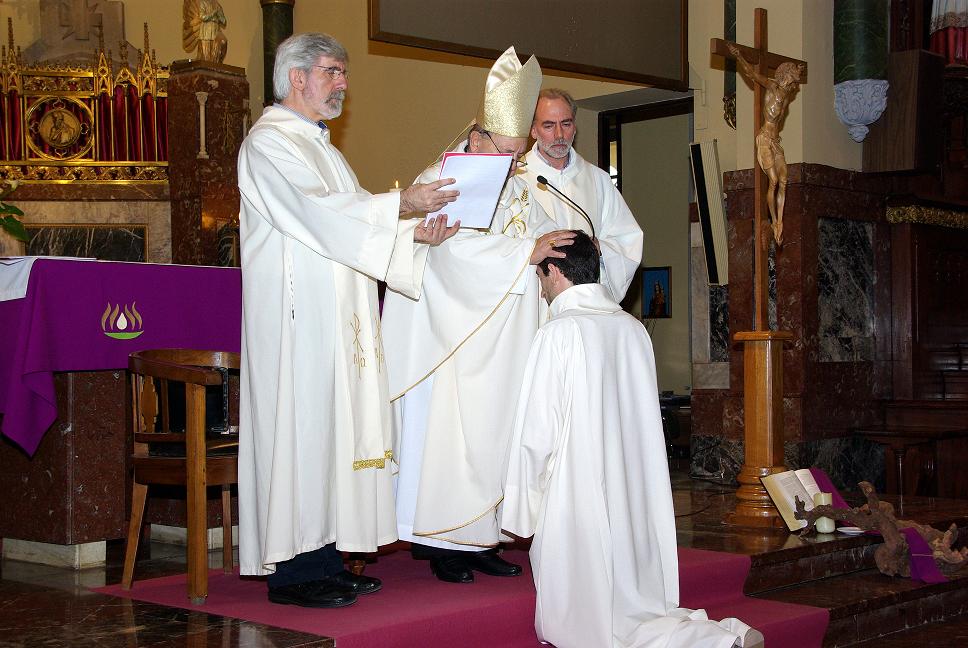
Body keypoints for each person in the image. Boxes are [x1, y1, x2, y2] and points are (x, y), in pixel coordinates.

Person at [236, 32, 460, 609]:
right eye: (333, 71)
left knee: (333, 434)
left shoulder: (324, 149)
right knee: (303, 432)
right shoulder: (268, 143)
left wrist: (415, 234)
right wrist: (403, 204)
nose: (343, 83)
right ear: (297, 77)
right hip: (297, 323)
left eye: (343, 72)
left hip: (335, 321)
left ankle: (327, 559)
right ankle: (294, 573)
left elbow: (358, 221)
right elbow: (320, 213)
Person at [503, 231, 764, 648]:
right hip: (631, 486)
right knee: (633, 597)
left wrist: (522, 509)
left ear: (554, 271)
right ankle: (717, 637)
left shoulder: (559, 332)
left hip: (578, 488)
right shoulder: (632, 329)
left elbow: (537, 432)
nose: (540, 290)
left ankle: (708, 642)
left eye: (540, 278)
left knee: (587, 623)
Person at [382, 47, 575, 584]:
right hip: (452, 337)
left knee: (498, 436)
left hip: (505, 337)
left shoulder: (516, 183)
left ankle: (484, 538)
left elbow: (533, 236)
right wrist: (524, 253)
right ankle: (443, 544)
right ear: (478, 136)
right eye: (506, 152)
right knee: (452, 437)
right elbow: (450, 252)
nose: (512, 164)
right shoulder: (440, 178)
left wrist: (551, 250)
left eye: (518, 154)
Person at [522, 88, 643, 302]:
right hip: (534, 300)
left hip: (585, 303)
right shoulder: (516, 177)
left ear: (575, 126)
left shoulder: (598, 179)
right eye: (548, 126)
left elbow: (628, 242)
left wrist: (599, 248)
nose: (559, 135)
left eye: (566, 124)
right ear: (533, 130)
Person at [728, 43, 804, 246]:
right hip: (764, 139)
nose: (795, 86)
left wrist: (798, 70)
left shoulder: (787, 95)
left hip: (776, 141)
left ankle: (780, 222)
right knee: (774, 180)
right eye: (793, 80)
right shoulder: (771, 87)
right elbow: (752, 74)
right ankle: (773, 220)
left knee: (784, 179)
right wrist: (739, 56)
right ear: (786, 76)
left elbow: (794, 81)